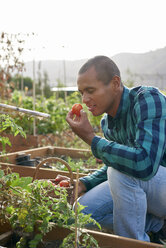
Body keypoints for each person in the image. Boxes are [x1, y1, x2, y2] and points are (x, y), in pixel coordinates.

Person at [56, 55, 166, 243]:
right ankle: (157, 226)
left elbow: (144, 164)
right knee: (82, 213)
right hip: (148, 188)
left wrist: (91, 139)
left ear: (115, 83)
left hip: (158, 180)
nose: (85, 99)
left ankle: (134, 244)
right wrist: (84, 183)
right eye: (81, 93)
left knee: (119, 172)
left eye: (90, 91)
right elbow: (118, 164)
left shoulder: (148, 99)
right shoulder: (108, 123)